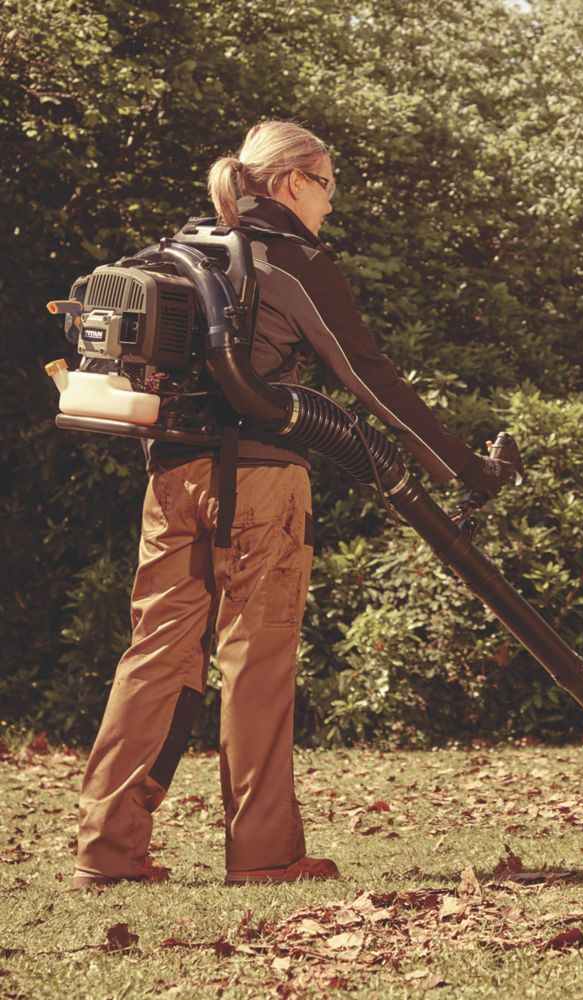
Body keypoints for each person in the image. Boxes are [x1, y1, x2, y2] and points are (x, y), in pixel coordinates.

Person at [73, 121, 512, 888]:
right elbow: (369, 377)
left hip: (170, 479)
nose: (331, 205)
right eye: (328, 186)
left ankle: (107, 853)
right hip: (262, 483)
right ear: (292, 182)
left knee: (153, 657)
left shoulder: (176, 252)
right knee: (257, 661)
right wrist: (462, 469)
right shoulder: (292, 262)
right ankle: (266, 856)